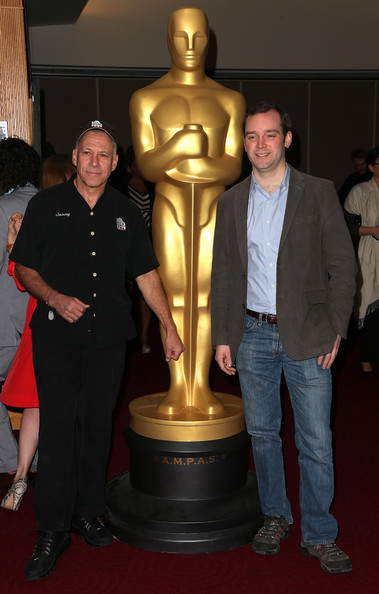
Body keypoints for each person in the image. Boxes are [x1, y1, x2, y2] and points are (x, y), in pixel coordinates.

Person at [11, 120, 184, 581]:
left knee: (96, 430)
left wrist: (169, 327)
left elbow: (147, 275)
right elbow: (23, 266)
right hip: (56, 339)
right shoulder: (45, 206)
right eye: (87, 153)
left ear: (114, 163)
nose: (94, 162)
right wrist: (53, 297)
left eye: (103, 156)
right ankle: (51, 530)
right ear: (74, 157)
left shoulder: (126, 212)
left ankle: (88, 513)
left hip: (108, 342)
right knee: (58, 434)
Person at [211, 101, 356, 574]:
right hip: (251, 334)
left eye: (270, 135)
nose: (260, 144)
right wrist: (222, 336)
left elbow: (343, 267)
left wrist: (336, 327)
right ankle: (275, 515)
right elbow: (224, 276)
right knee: (263, 435)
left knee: (315, 441)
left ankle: (318, 532)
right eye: (252, 136)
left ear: (287, 139)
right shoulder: (231, 200)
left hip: (310, 334)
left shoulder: (318, 192)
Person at [130, 7, 246, 415]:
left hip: (215, 207)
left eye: (199, 37)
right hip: (170, 206)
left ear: (209, 41)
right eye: (182, 37)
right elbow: (146, 165)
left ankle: (201, 385)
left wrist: (179, 163)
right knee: (171, 295)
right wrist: (182, 146)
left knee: (209, 296)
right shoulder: (147, 98)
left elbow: (233, 165)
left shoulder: (229, 99)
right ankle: (179, 387)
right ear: (168, 39)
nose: (192, 46)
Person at [1, 154, 76, 511]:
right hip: (73, 319)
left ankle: (19, 480)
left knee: (35, 404)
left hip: (39, 321)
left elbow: (21, 280)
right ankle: (59, 475)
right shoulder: (77, 218)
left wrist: (13, 245)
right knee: (68, 402)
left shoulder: (37, 218)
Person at [0, 138, 40, 494]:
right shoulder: (48, 203)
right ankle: (33, 461)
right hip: (37, 319)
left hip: (6, 324)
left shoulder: (3, 207)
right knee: (39, 398)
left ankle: (10, 462)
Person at [344, 146, 379, 374]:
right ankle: (365, 357)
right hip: (369, 253)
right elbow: (348, 225)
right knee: (371, 308)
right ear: (370, 167)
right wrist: (374, 229)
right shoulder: (360, 190)